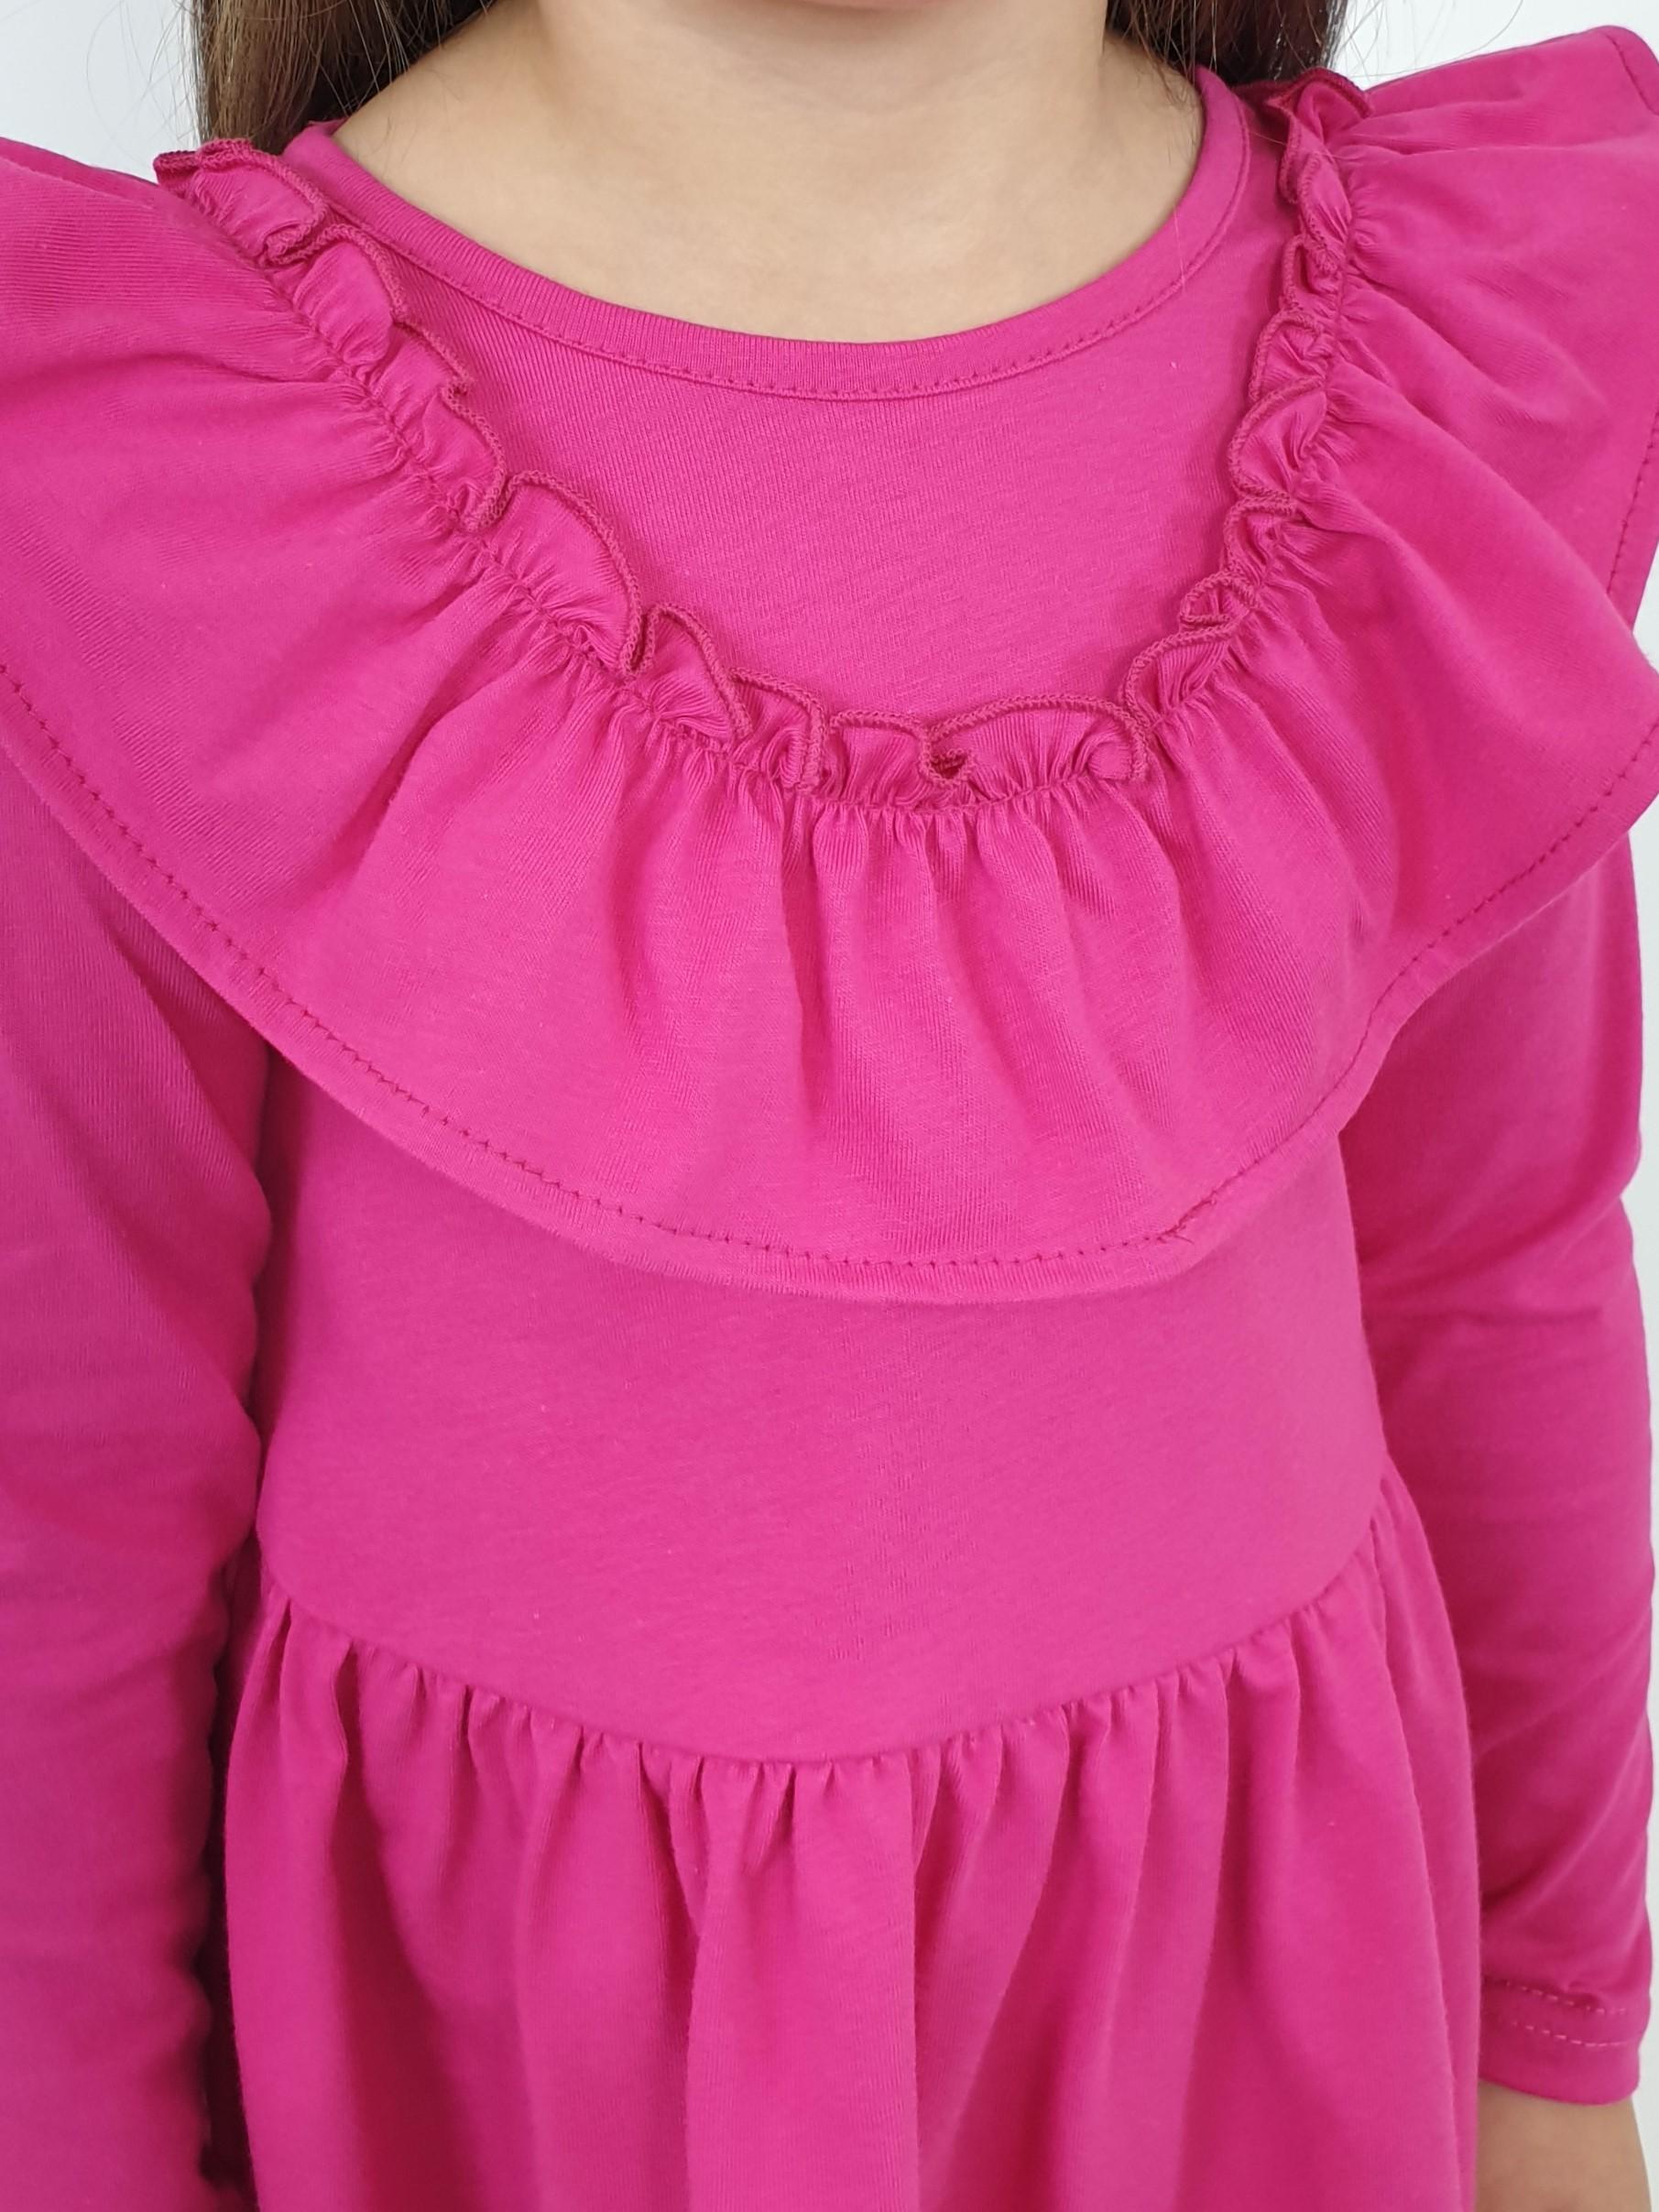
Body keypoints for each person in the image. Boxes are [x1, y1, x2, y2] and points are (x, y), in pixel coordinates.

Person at [3, 0, 1659, 2204]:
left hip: (1258, 2028)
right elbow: (63, 1504)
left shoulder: (1411, 385)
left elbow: (1494, 1267)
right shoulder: (152, 459)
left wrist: (1551, 2048)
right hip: (515, 2089)